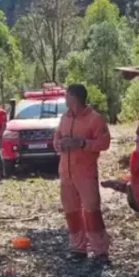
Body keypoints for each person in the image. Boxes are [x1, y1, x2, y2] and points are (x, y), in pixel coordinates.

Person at [53, 84, 112, 265]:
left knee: (92, 211)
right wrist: (59, 144)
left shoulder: (95, 119)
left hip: (85, 173)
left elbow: (104, 143)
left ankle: (100, 251)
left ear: (74, 97)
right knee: (71, 211)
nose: (64, 98)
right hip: (66, 173)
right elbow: (57, 137)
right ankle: (78, 248)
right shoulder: (65, 117)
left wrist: (82, 143)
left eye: (66, 95)